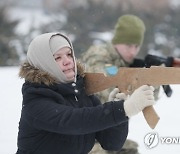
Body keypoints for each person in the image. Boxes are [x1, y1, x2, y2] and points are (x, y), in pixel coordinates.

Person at [16, 32, 155, 154]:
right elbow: (73, 121)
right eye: (57, 58)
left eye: (69, 54)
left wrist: (119, 109)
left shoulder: (80, 93)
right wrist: (125, 109)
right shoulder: (36, 101)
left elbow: (112, 143)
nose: (67, 61)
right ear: (43, 63)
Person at [81, 14, 150, 154]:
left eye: (136, 46)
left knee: (131, 149)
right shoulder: (99, 55)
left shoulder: (124, 63)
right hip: (82, 135)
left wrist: (154, 84)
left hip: (104, 133)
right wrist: (140, 82)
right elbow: (109, 89)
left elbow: (144, 103)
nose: (133, 51)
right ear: (116, 41)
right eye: (128, 45)